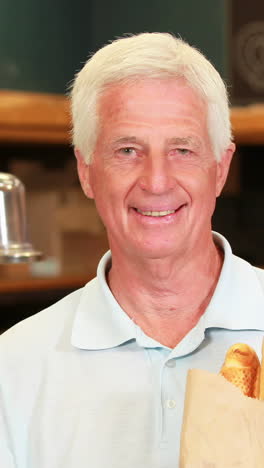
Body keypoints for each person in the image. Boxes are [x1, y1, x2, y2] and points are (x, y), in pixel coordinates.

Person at [1, 32, 264, 468]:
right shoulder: (15, 368)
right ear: (87, 172)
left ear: (220, 169)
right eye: (127, 150)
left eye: (182, 149)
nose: (156, 181)